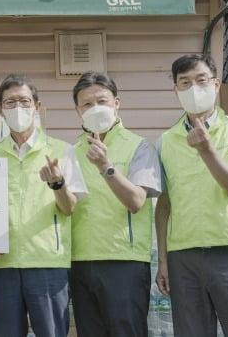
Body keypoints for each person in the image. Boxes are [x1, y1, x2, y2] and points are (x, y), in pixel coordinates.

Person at [155, 54, 228, 337]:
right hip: (184, 253)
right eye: (185, 82)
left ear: (216, 84)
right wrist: (164, 260)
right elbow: (164, 205)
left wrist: (207, 149)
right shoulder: (165, 141)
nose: (194, 88)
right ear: (176, 90)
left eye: (201, 80)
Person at [0, 73, 87, 337]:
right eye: (10, 103)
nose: (18, 108)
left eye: (24, 101)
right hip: (3, 263)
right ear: (0, 110)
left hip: (48, 262)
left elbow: (70, 207)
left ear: (37, 107)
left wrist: (58, 184)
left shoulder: (61, 150)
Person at [70, 72, 161, 337]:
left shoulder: (139, 147)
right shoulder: (71, 151)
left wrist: (106, 167)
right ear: (77, 110)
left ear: (117, 103)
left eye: (102, 101)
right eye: (86, 104)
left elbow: (136, 201)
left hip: (124, 261)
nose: (95, 108)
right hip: (80, 261)